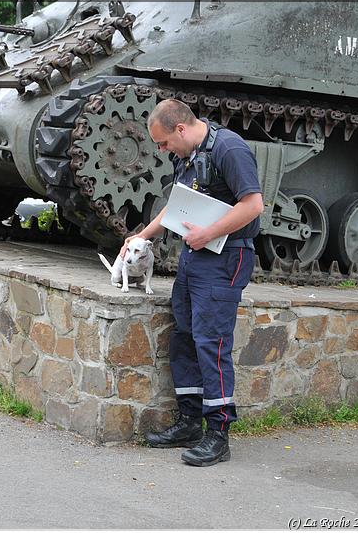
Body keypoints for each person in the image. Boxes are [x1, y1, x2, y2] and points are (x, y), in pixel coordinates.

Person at [125, 99, 263, 467]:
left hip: (224, 256)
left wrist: (209, 233)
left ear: (181, 129)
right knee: (184, 336)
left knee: (211, 342)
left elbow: (253, 205)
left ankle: (218, 434)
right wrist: (143, 235)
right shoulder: (186, 154)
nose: (162, 150)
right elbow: (177, 205)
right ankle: (189, 421)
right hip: (194, 256)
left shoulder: (229, 149)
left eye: (164, 143)